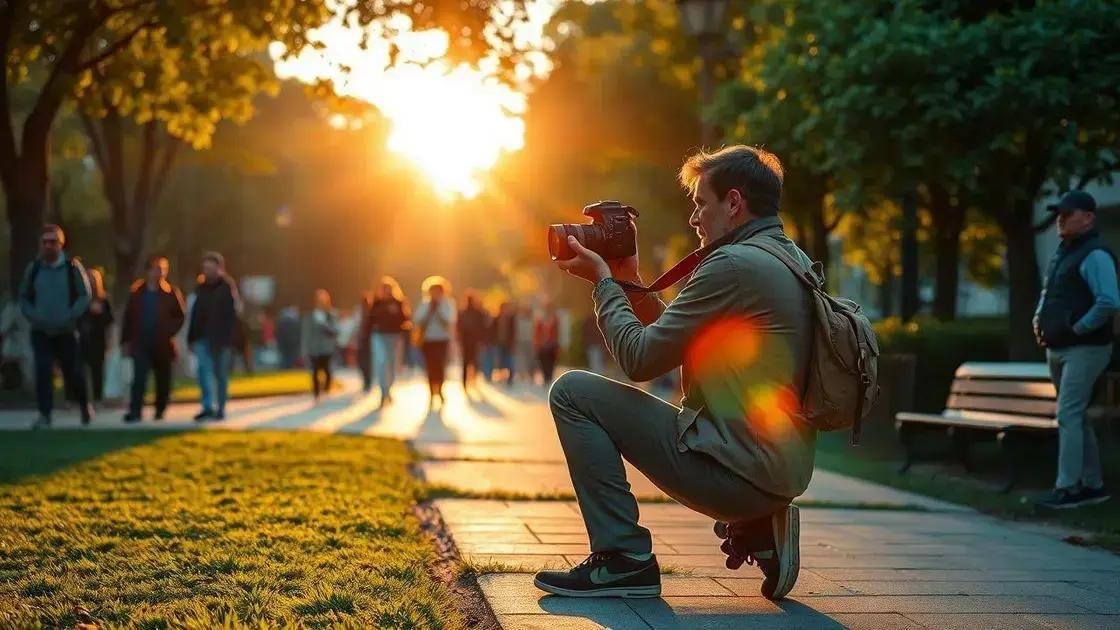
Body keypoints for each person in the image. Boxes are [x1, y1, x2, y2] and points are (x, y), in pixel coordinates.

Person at [535, 146, 816, 601]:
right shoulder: (787, 258)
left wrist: (604, 283)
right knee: (583, 391)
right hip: (777, 471)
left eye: (701, 204)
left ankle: (623, 559)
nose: (694, 219)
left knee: (572, 392)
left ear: (733, 203)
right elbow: (673, 336)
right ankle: (761, 526)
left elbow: (641, 360)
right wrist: (629, 278)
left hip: (738, 475)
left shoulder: (732, 266)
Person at [1034, 190, 1118, 509]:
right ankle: (1092, 485)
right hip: (1058, 346)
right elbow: (1048, 292)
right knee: (1077, 416)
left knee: (1068, 414)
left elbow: (1109, 301)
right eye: (1059, 213)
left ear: (1088, 218)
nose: (1061, 218)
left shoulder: (1096, 255)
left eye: (1068, 213)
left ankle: (1067, 488)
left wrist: (1079, 328)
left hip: (1086, 348)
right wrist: (1037, 318)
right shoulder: (1063, 252)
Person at [20, 225, 93, 427]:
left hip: (66, 331)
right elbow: (24, 297)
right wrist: (34, 316)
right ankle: (45, 414)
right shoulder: (34, 269)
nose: (48, 246)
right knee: (43, 371)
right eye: (45, 242)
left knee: (73, 372)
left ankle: (84, 405)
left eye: (53, 242)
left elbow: (84, 295)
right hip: (41, 331)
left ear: (61, 244)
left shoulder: (72, 267)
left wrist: (70, 315)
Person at [121, 256, 186, 422]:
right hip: (141, 342)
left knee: (163, 379)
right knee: (139, 379)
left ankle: (160, 409)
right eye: (156, 268)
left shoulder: (170, 293)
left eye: (162, 269)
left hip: (163, 343)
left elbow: (180, 317)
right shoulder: (136, 293)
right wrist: (125, 342)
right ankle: (135, 411)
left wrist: (168, 331)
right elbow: (128, 319)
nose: (159, 272)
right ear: (148, 271)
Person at [186, 251, 239, 421]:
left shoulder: (226, 288)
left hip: (221, 339)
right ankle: (207, 406)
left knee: (220, 374)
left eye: (210, 267)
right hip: (202, 337)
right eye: (205, 268)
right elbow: (195, 314)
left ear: (219, 269)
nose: (207, 271)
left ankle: (220, 407)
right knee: (203, 371)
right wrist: (191, 337)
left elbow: (231, 316)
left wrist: (229, 338)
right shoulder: (200, 288)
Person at [368, 276, 411, 406]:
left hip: (394, 336)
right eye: (384, 288)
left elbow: (405, 319)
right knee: (382, 362)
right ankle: (383, 391)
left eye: (388, 288)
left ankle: (389, 389)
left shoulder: (398, 303)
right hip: (379, 336)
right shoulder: (376, 303)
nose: (386, 291)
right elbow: (369, 320)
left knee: (391, 364)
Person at [414, 276, 456, 408]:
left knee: (440, 366)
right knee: (430, 367)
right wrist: (429, 311)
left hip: (442, 339)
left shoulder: (448, 303)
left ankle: (440, 389)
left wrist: (437, 311)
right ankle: (432, 392)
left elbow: (449, 321)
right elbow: (417, 319)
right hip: (427, 340)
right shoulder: (425, 304)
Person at [77, 267, 113, 405]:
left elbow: (110, 321)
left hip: (98, 340)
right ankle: (78, 398)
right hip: (81, 339)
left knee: (97, 371)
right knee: (79, 369)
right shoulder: (80, 299)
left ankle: (97, 398)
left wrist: (100, 313)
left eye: (93, 279)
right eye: (88, 278)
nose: (91, 282)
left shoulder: (103, 300)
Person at [302, 289, 339, 401]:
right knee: (315, 371)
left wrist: (326, 326)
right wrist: (305, 349)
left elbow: (336, 330)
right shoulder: (310, 316)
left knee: (327, 370)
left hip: (327, 348)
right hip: (314, 348)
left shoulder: (331, 314)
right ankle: (316, 394)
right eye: (319, 299)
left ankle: (326, 389)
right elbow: (306, 333)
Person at [457, 290, 489, 394]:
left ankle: (467, 383)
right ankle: (472, 382)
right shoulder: (478, 312)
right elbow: (483, 327)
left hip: (468, 342)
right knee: (473, 363)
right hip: (473, 342)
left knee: (467, 363)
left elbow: (459, 328)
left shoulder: (463, 312)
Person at [535, 302, 561, 384]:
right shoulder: (539, 319)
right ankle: (545, 377)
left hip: (552, 344)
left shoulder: (555, 319)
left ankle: (549, 377)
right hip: (542, 345)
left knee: (551, 362)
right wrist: (537, 343)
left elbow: (557, 332)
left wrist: (557, 343)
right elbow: (537, 332)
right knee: (543, 362)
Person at [492, 301, 517, 385]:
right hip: (499, 343)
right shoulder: (496, 318)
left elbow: (514, 331)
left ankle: (510, 377)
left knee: (509, 360)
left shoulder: (511, 318)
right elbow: (493, 331)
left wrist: (513, 342)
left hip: (508, 343)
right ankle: (501, 376)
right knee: (500, 360)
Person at [515, 302, 537, 384]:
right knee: (521, 359)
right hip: (521, 341)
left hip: (531, 342)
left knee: (531, 359)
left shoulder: (533, 320)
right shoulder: (518, 319)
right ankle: (522, 375)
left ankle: (531, 375)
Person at [356, 292, 374, 392]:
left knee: (367, 362)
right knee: (362, 362)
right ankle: (365, 379)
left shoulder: (372, 311)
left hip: (370, 341)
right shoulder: (358, 312)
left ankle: (368, 381)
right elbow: (355, 327)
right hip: (361, 341)